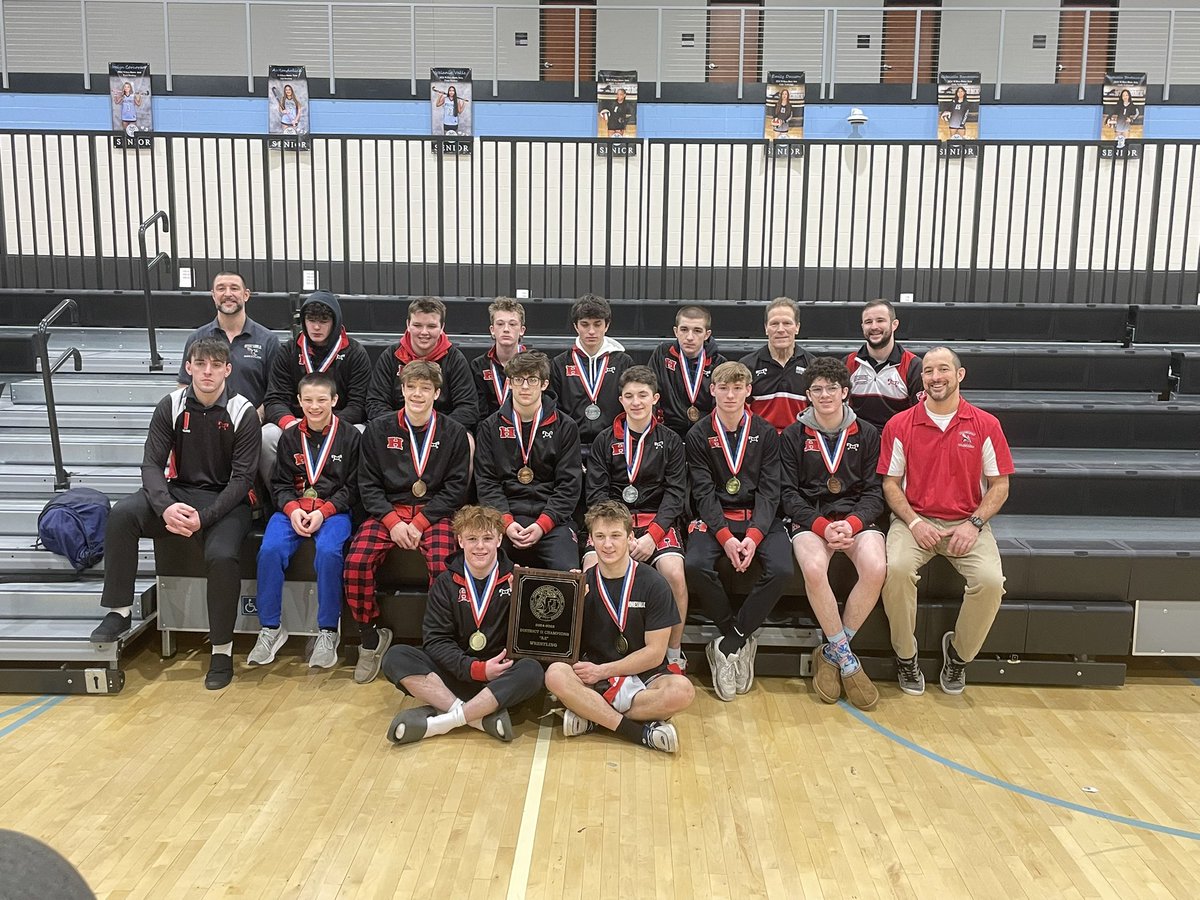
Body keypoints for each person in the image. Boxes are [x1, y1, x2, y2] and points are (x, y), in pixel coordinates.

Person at [91, 337, 260, 690]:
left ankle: (221, 651)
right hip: (179, 493)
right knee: (123, 514)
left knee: (222, 555)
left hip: (226, 501)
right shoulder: (170, 404)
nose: (208, 371)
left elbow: (242, 480)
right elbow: (151, 465)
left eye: (216, 365)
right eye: (201, 364)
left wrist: (205, 517)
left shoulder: (243, 412)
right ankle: (119, 611)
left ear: (228, 369)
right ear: (189, 367)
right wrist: (166, 506)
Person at [877, 347, 1014, 696]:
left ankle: (958, 656)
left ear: (959, 375)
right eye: (928, 372)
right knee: (895, 571)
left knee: (990, 581)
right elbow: (890, 484)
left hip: (967, 524)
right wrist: (913, 522)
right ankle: (906, 658)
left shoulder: (985, 424)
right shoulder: (899, 424)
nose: (935, 377)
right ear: (921, 379)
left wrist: (974, 524)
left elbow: (1000, 485)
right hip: (915, 521)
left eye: (943, 370)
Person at [345, 361, 471, 684]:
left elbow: (456, 488)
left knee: (445, 568)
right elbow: (368, 485)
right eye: (411, 387)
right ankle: (371, 638)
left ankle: (440, 642)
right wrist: (392, 521)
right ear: (401, 390)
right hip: (389, 512)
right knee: (357, 562)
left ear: (437, 393)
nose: (417, 394)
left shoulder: (454, 432)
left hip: (434, 513)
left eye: (425, 388)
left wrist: (421, 522)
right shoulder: (378, 429)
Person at [382, 505, 544, 745]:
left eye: (487, 538)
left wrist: (525, 596)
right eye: (472, 539)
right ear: (460, 541)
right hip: (457, 674)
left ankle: (443, 721)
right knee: (395, 657)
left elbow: (534, 638)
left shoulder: (519, 579)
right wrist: (475, 668)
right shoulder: (445, 583)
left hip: (499, 679)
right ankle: (476, 717)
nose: (480, 546)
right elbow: (436, 641)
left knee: (533, 670)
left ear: (499, 539)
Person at [545, 501, 694, 753]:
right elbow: (562, 648)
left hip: (641, 674)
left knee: (683, 691)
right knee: (555, 674)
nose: (608, 545)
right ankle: (638, 732)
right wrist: (570, 604)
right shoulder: (581, 584)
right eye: (600, 537)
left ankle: (593, 716)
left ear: (630, 538)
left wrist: (602, 671)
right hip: (594, 672)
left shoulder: (654, 584)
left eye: (615, 536)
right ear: (590, 540)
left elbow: (655, 653)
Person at [781, 357, 885, 710]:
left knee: (876, 568)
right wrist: (823, 526)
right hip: (812, 520)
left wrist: (853, 524)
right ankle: (850, 662)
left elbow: (875, 492)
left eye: (831, 388)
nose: (824, 395)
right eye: (817, 389)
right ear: (808, 395)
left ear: (845, 392)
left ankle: (833, 652)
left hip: (856, 518)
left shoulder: (869, 434)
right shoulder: (793, 435)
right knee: (813, 568)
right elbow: (788, 494)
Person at [685, 361, 792, 701]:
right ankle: (739, 639)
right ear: (712, 390)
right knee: (694, 565)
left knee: (782, 568)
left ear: (749, 391)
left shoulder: (766, 432)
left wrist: (754, 536)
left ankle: (729, 643)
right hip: (717, 520)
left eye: (737, 388)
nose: (730, 395)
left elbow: (770, 490)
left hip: (759, 518)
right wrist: (726, 538)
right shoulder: (698, 434)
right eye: (723, 388)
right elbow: (702, 492)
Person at [249, 372, 360, 670]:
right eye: (308, 400)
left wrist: (323, 512)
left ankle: (327, 632)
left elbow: (353, 487)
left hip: (333, 512)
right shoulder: (289, 437)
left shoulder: (350, 436)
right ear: (298, 401)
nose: (315, 406)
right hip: (293, 511)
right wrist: (292, 510)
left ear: (334, 400)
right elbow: (280, 484)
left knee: (328, 553)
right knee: (269, 551)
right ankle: (270, 628)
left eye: (322, 400)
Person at [585, 366, 689, 672]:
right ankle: (595, 649)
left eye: (643, 395)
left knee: (675, 573)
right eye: (629, 396)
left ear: (655, 398)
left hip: (655, 522)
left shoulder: (670, 440)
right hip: (612, 523)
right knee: (590, 570)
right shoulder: (604, 440)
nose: (636, 402)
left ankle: (673, 653)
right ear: (620, 399)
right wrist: (618, 535)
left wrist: (652, 536)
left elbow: (675, 494)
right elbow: (597, 493)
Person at [475, 351, 582, 571]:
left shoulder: (566, 426)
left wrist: (543, 524)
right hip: (504, 519)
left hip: (552, 520)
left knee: (569, 576)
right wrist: (506, 521)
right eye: (518, 379)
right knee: (483, 568)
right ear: (510, 383)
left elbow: (569, 486)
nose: (525, 387)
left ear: (544, 384)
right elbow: (487, 483)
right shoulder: (489, 427)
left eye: (532, 379)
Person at [260, 290, 371, 484]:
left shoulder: (355, 353)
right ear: (303, 321)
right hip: (296, 422)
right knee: (267, 436)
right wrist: (291, 424)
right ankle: (279, 499)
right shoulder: (288, 350)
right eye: (311, 320)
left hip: (339, 422)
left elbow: (358, 405)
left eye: (324, 321)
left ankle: (346, 501)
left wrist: (327, 423)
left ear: (335, 322)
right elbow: (275, 399)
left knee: (362, 433)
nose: (317, 327)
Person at [366, 296, 479, 429]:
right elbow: (375, 403)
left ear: (442, 327)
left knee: (468, 441)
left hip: (442, 432)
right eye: (417, 325)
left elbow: (468, 408)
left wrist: (433, 428)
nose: (424, 332)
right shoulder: (390, 356)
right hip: (397, 429)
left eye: (431, 326)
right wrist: (401, 426)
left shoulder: (455, 359)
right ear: (408, 325)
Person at [177, 271, 280, 417]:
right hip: (206, 424)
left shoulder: (268, 340)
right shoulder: (197, 338)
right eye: (221, 288)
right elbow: (184, 385)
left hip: (254, 425)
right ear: (213, 296)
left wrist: (252, 419)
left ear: (246, 295)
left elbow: (275, 392)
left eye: (234, 288)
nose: (227, 294)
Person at [550, 294, 633, 464]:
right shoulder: (559, 364)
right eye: (585, 325)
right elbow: (554, 410)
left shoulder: (624, 362)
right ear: (576, 326)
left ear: (607, 325)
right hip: (571, 446)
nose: (592, 331)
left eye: (597, 324)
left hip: (612, 445)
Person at [648, 304, 726, 439]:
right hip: (667, 432)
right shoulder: (662, 354)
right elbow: (651, 392)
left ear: (707, 334)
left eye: (697, 330)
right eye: (684, 329)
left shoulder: (719, 364)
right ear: (675, 331)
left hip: (705, 435)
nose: (690, 337)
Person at [845, 299, 924, 430]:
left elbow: (918, 417)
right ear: (862, 326)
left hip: (897, 440)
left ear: (894, 324)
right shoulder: (848, 364)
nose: (874, 327)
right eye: (868, 322)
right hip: (858, 442)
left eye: (880, 320)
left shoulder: (913, 366)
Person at [739, 297, 814, 433]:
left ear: (797, 327)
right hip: (760, 444)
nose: (780, 329)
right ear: (766, 328)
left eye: (787, 323)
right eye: (774, 324)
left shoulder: (813, 366)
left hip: (798, 443)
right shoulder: (746, 366)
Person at [469, 297, 529, 419]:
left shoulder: (535, 365)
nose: (506, 329)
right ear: (492, 330)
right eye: (500, 324)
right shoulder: (479, 366)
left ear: (522, 330)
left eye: (512, 324)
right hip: (488, 431)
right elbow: (478, 412)